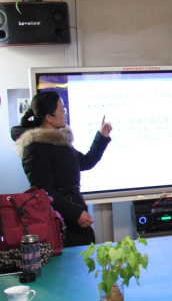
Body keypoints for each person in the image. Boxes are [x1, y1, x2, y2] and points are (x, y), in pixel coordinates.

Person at [10, 91, 112, 247]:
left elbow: (86, 162)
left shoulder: (61, 142)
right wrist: (75, 214)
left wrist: (102, 136)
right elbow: (44, 192)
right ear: (49, 117)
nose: (65, 113)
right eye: (62, 110)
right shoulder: (35, 149)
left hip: (75, 218)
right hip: (59, 223)